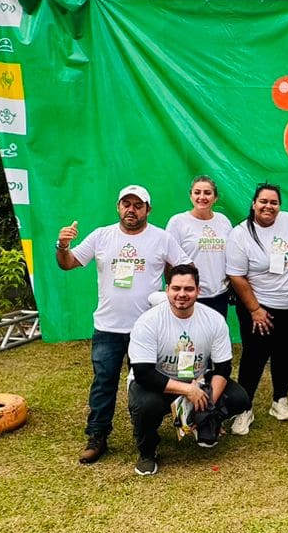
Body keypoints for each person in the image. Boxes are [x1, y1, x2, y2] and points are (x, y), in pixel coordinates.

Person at [56, 185, 190, 464]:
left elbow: (184, 269)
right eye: (126, 204)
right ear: (118, 207)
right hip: (108, 327)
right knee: (103, 383)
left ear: (148, 210)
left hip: (148, 329)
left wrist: (169, 290)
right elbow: (68, 264)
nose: (131, 209)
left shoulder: (161, 238)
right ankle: (97, 436)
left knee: (149, 384)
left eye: (138, 205)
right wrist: (62, 246)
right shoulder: (101, 236)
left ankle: (146, 431)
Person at [125, 264, 251, 476]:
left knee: (239, 398)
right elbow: (143, 374)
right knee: (146, 406)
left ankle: (204, 424)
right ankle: (148, 451)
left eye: (189, 289)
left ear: (198, 291)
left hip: (197, 381)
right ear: (167, 290)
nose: (182, 294)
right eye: (176, 288)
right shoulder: (148, 322)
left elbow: (223, 367)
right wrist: (187, 391)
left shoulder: (214, 320)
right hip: (158, 383)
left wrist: (207, 404)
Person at [225, 182, 288, 426]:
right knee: (254, 357)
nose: (268, 206)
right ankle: (244, 409)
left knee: (285, 354)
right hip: (261, 307)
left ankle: (280, 400)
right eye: (263, 201)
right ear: (254, 204)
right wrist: (254, 310)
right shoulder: (240, 234)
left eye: (274, 202)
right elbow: (236, 276)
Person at [165, 175, 233, 321]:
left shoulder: (223, 221)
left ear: (215, 198)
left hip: (219, 295)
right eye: (197, 192)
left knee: (214, 339)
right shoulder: (178, 222)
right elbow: (169, 262)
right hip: (189, 297)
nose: (202, 197)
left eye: (207, 193)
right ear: (191, 196)